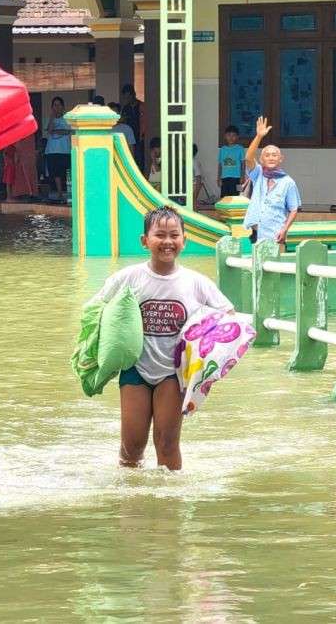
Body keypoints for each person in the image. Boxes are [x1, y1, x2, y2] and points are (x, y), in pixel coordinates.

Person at [91, 205, 233, 470]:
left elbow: (228, 315)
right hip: (135, 369)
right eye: (160, 235)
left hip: (173, 372)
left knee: (167, 443)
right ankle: (131, 501)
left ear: (184, 241)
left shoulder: (195, 282)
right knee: (131, 447)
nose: (167, 242)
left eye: (174, 235)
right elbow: (96, 310)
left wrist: (207, 360)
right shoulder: (128, 278)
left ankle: (171, 503)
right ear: (145, 241)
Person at [243, 116, 301, 245]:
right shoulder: (258, 174)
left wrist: (285, 229)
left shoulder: (288, 182)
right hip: (256, 233)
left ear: (281, 159)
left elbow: (293, 209)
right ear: (262, 159)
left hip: (275, 234)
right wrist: (259, 136)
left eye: (274, 155)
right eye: (267, 155)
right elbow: (248, 158)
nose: (271, 158)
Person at [44, 96, 72, 200]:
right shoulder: (49, 119)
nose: (57, 107)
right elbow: (50, 130)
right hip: (52, 150)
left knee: (67, 172)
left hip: (65, 150)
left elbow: (69, 131)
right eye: (54, 105)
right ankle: (60, 192)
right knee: (56, 172)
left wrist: (58, 131)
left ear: (63, 107)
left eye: (59, 105)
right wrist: (52, 117)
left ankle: (69, 191)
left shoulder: (67, 119)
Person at [2, 132, 38, 201]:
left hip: (11, 164)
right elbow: (7, 154)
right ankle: (9, 197)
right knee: (9, 181)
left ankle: (10, 196)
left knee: (10, 181)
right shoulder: (12, 144)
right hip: (10, 165)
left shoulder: (12, 144)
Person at [120, 84, 145, 168]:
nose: (127, 99)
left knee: (140, 160)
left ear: (133, 94)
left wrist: (142, 135)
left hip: (139, 138)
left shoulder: (141, 106)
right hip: (129, 139)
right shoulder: (125, 108)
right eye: (125, 97)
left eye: (128, 97)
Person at [217, 125, 244, 198]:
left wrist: (242, 177)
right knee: (224, 197)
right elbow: (220, 165)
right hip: (224, 178)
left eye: (234, 135)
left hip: (237, 178)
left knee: (237, 196)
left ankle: (237, 209)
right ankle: (225, 210)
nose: (231, 138)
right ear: (225, 136)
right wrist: (219, 178)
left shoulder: (240, 149)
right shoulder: (222, 149)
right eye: (229, 135)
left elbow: (243, 164)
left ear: (237, 137)